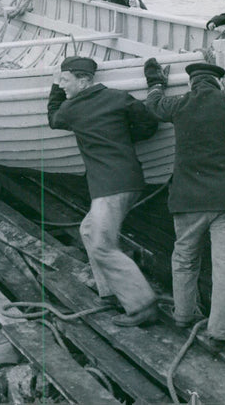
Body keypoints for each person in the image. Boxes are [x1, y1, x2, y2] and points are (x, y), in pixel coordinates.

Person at [144, 59, 225, 351]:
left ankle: (184, 315)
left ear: (191, 83)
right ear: (218, 82)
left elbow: (153, 105)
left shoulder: (180, 104)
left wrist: (155, 82)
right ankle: (221, 332)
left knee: (185, 259)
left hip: (187, 200)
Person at [48, 56, 159, 327]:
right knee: (88, 231)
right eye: (60, 81)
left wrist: (52, 90)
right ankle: (109, 292)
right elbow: (149, 124)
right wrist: (122, 138)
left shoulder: (72, 108)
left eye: (65, 80)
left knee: (102, 246)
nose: (62, 85)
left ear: (84, 81)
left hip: (109, 187)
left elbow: (53, 118)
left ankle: (142, 305)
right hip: (127, 179)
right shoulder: (119, 97)